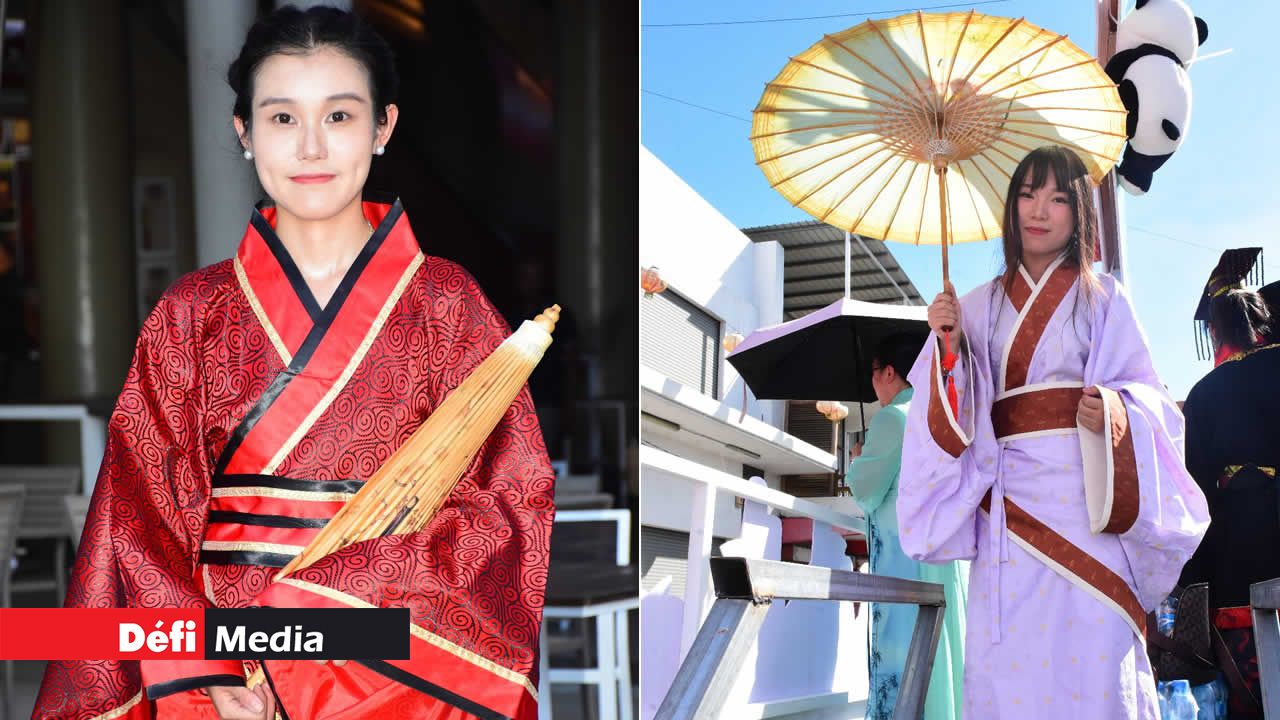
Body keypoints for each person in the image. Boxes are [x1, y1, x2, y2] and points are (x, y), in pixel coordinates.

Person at [33, 7, 554, 720]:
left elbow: (506, 497)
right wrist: (204, 671)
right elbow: (139, 508)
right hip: (220, 663)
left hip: (384, 666)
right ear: (245, 132)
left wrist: (314, 620)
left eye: (340, 116)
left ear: (383, 128)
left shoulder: (447, 303)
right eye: (282, 119)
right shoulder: (192, 310)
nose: (311, 146)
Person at [898, 145, 1209, 719]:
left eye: (1059, 198)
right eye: (1027, 194)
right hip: (1008, 520)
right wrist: (948, 349)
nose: (1039, 209)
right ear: (1011, 206)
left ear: (1078, 212)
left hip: (1088, 513)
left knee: (1096, 661)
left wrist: (1115, 410)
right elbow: (951, 420)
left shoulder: (1104, 298)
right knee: (1011, 673)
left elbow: (1157, 406)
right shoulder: (973, 307)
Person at [1180, 248, 1280, 718]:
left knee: (1253, 688)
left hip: (1239, 548)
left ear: (1214, 331)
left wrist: (1190, 582)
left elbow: (1195, 494)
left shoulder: (1202, 394)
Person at [847, 333, 966, 720]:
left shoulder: (892, 418)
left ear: (890, 372)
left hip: (902, 559)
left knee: (900, 654)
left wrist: (857, 460)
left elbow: (865, 487)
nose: (873, 383)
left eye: (874, 373)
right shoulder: (933, 412)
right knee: (939, 654)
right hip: (939, 557)